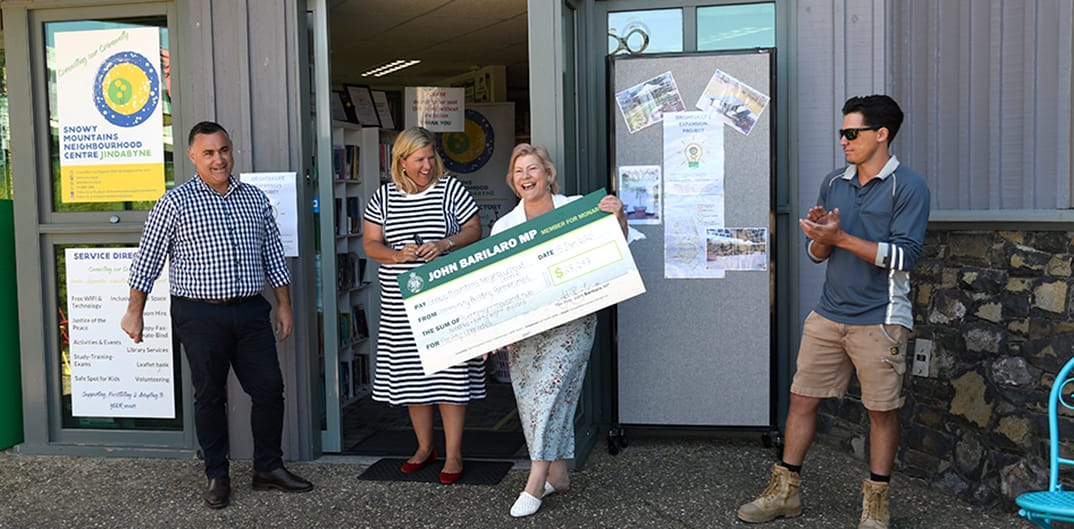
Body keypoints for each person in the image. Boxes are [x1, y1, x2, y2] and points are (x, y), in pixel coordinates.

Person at [737, 95, 930, 529]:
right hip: (828, 313)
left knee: (881, 411)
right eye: (841, 133)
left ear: (881, 135)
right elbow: (817, 255)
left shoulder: (909, 186)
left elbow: (905, 256)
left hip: (881, 318)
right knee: (801, 399)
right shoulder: (834, 181)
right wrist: (821, 235)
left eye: (851, 133)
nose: (843, 141)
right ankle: (786, 492)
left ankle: (876, 503)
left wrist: (840, 238)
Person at [121, 121, 313, 510]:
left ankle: (267, 469)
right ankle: (217, 474)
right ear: (192, 156)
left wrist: (284, 305)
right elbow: (147, 262)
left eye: (223, 150)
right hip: (199, 314)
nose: (218, 159)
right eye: (208, 152)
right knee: (209, 396)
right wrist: (133, 312)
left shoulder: (255, 200)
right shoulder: (174, 202)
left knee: (268, 389)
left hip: (250, 311)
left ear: (232, 150)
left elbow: (273, 257)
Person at [491, 144, 634, 518]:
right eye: (519, 171)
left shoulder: (577, 209)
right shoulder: (504, 226)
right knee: (531, 401)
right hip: (525, 333)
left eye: (533, 169)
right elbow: (495, 286)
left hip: (571, 323)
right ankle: (559, 474)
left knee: (549, 396)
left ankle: (535, 481)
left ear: (548, 174)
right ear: (513, 180)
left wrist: (619, 217)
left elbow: (617, 246)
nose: (526, 176)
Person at [361, 126, 483, 484]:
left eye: (431, 158)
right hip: (401, 304)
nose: (427, 166)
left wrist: (445, 243)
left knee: (449, 377)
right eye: (419, 160)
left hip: (446, 302)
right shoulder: (382, 197)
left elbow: (474, 229)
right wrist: (397, 255)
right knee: (415, 378)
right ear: (401, 161)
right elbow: (371, 244)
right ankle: (424, 447)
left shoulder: (451, 190)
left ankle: (454, 454)